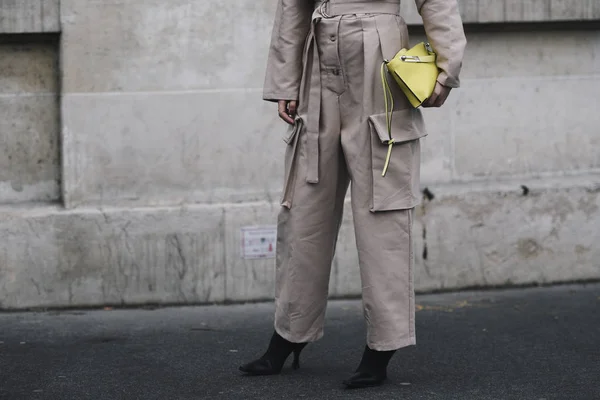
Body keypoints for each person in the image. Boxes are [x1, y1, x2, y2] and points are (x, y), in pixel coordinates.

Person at [240, 0, 466, 388]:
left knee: (383, 206)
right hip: (320, 51)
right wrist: (284, 80)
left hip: (380, 56)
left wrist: (448, 67)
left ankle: (384, 342)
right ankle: (289, 333)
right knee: (304, 206)